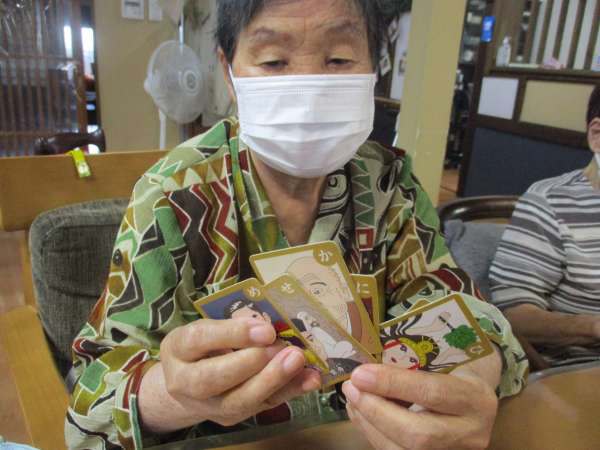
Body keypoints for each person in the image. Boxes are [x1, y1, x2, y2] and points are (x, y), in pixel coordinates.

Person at [66, 1, 527, 449]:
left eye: (339, 59)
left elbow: (461, 311)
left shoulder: (389, 182)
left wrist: (471, 376)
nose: (309, 90)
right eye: (273, 61)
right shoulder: (173, 195)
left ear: (375, 66)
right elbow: (91, 401)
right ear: (228, 73)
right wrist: (172, 394)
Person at [490, 84, 600, 367]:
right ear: (596, 135)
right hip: (580, 372)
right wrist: (593, 326)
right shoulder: (549, 203)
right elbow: (513, 316)